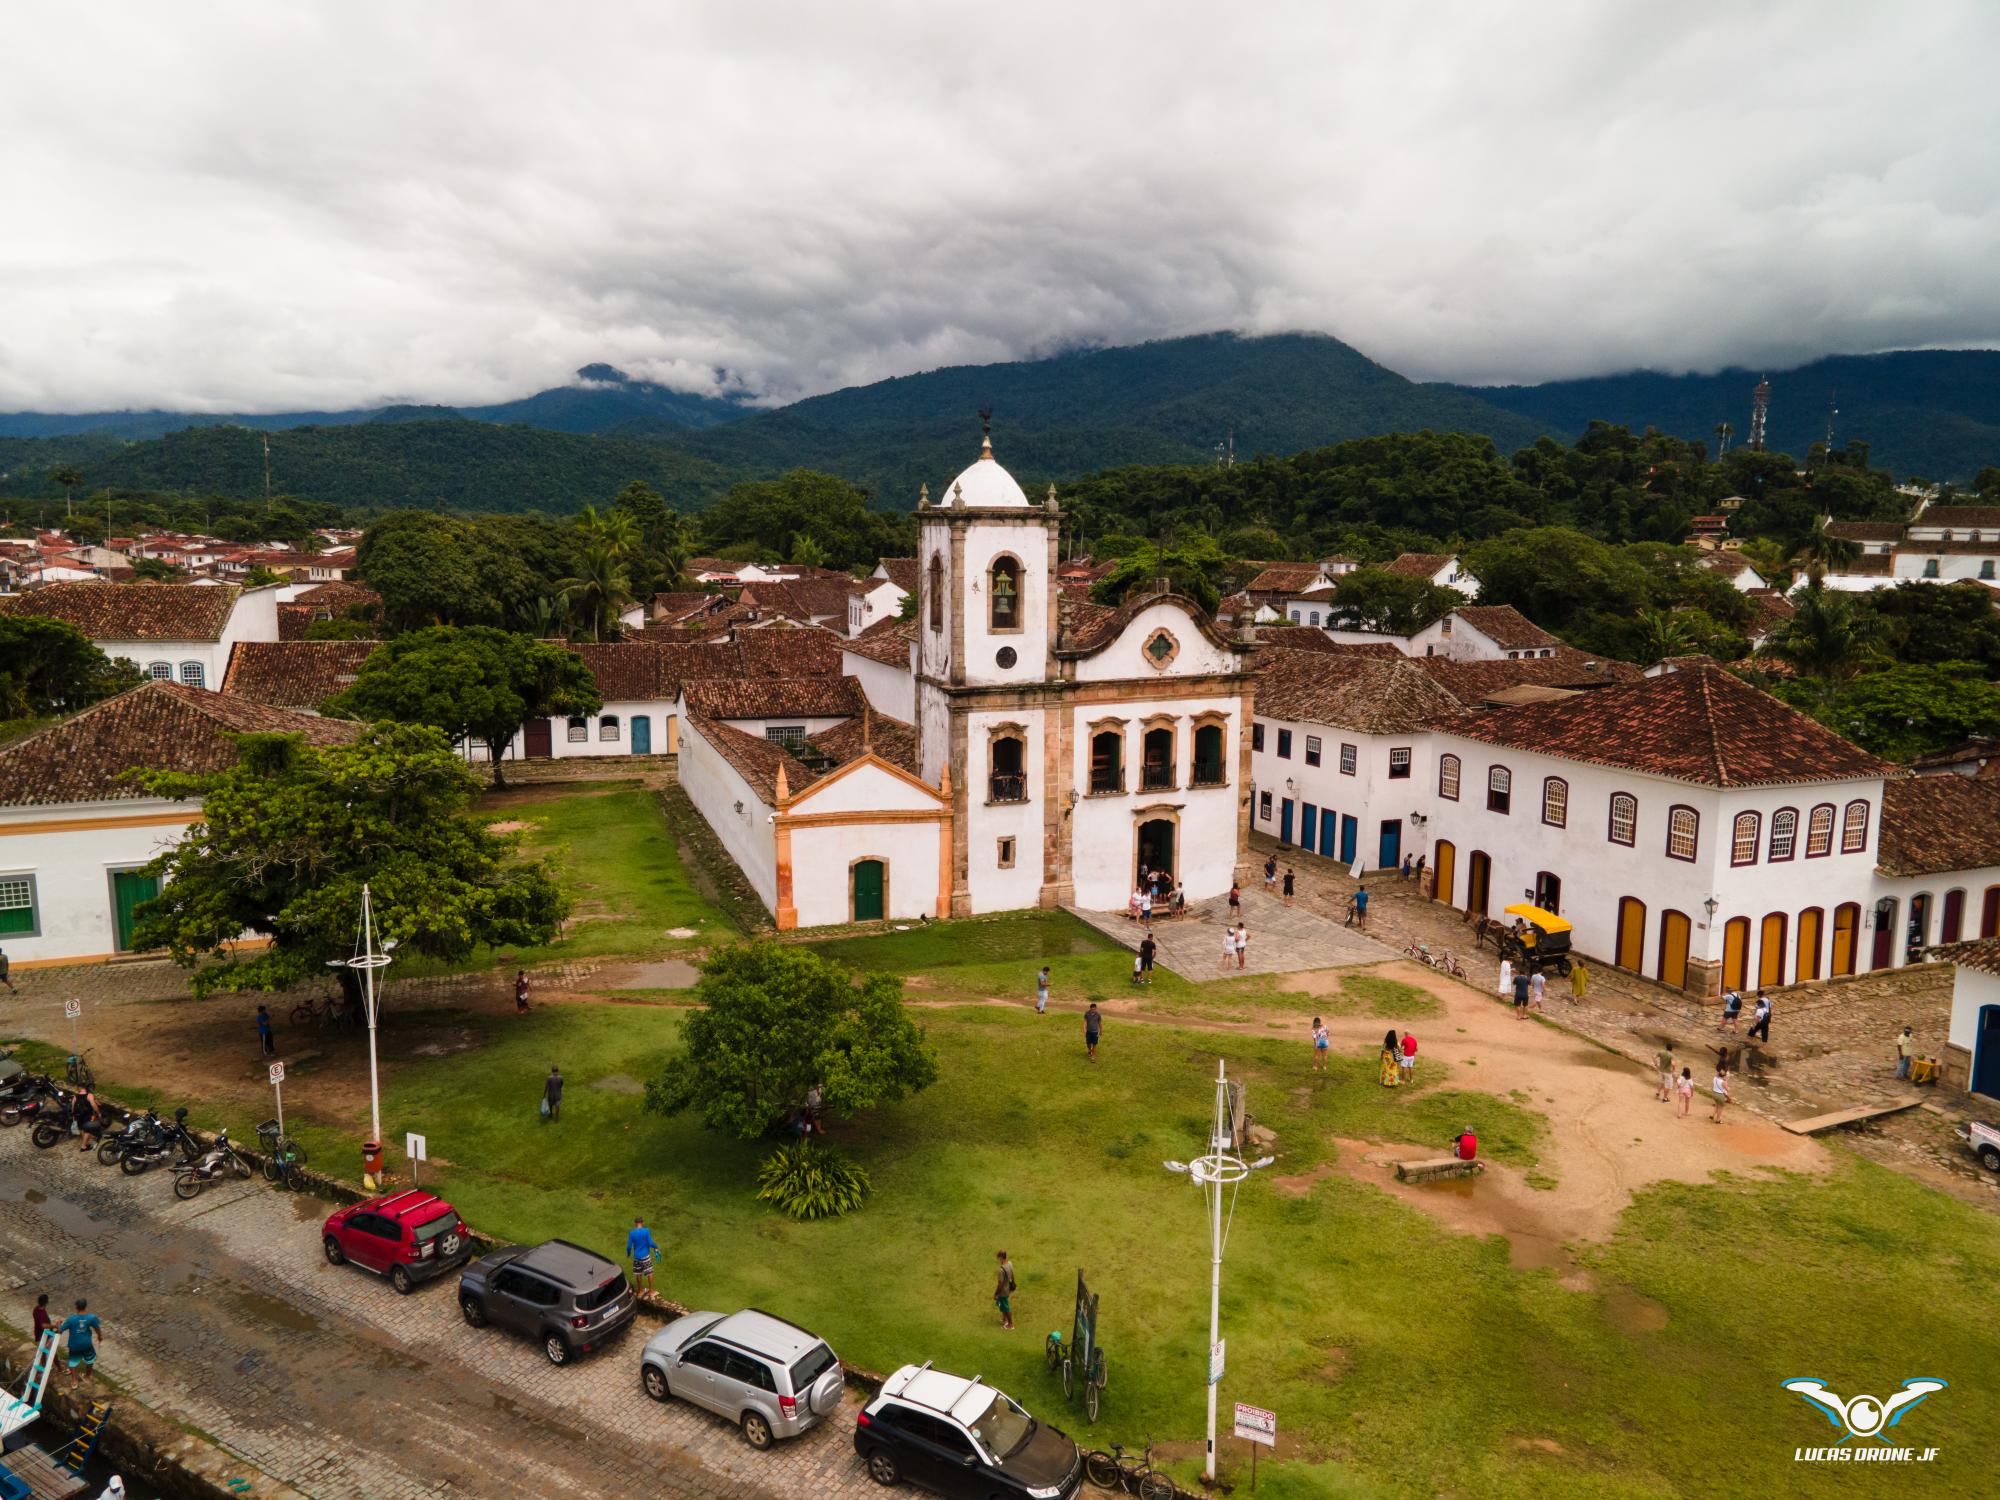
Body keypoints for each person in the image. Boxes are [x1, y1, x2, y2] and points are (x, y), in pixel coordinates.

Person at [59, 1299, 100, 1387]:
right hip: (87, 1344)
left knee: (73, 1362)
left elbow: (60, 1330)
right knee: (90, 1360)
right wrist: (99, 1336)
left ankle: (74, 1381)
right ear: (85, 1306)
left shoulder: (71, 1319)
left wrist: (58, 1324)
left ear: (76, 1307)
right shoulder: (91, 1317)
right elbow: (97, 1328)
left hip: (74, 1345)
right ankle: (87, 1377)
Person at [626, 1216, 658, 1295]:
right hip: (645, 1256)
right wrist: (656, 1247)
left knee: (638, 1273)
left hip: (637, 1257)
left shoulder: (631, 1233)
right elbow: (650, 1243)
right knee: (649, 1273)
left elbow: (629, 1246)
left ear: (635, 1223)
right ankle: (650, 1291)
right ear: (642, 1223)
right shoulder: (646, 1231)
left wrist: (628, 1253)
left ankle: (640, 1290)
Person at [994, 1251, 1017, 1331]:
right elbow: (1012, 1274)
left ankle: (1010, 1324)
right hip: (1008, 1289)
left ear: (1001, 1257)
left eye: (998, 1257)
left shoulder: (1001, 1270)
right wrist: (1013, 1283)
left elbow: (1000, 1284)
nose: (998, 1259)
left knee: (1006, 1307)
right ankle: (1004, 1319)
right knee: (1002, 1304)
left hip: (1003, 1291)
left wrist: (996, 1293)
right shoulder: (1010, 1263)